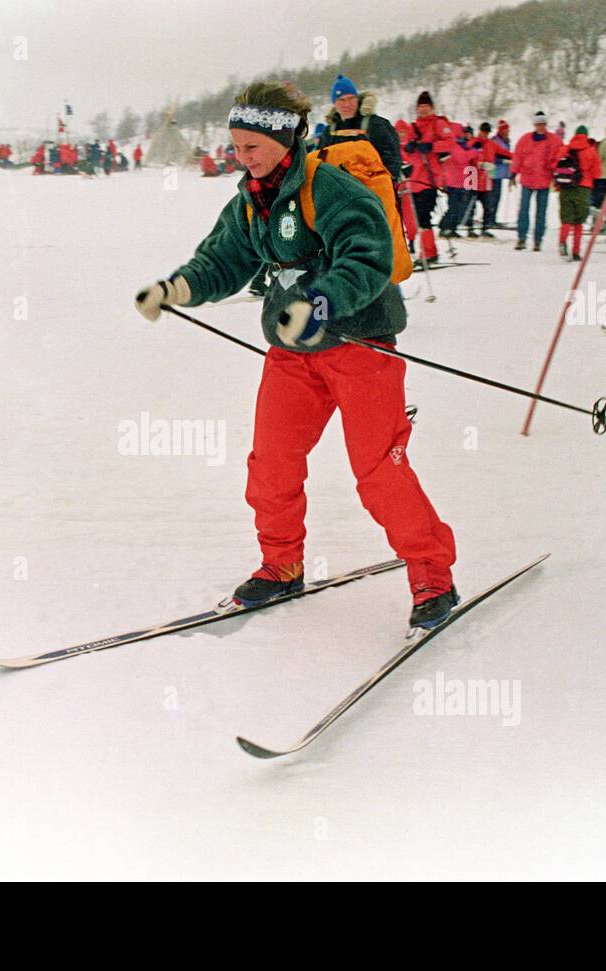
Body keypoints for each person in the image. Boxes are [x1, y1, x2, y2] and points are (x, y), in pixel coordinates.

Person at [133, 81, 458, 630]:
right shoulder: (249, 201)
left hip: (361, 347)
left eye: (251, 147)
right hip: (291, 354)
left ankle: (432, 575)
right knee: (271, 463)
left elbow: (366, 257)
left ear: (285, 140)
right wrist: (175, 290)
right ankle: (281, 564)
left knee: (380, 471)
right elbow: (222, 260)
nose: (242, 158)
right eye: (235, 147)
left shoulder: (333, 189)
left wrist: (320, 303)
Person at [400, 91, 457, 266]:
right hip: (415, 179)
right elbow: (407, 155)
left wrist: (432, 146)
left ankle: (428, 253)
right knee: (420, 218)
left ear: (431, 108)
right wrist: (407, 149)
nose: (423, 110)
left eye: (426, 106)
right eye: (420, 107)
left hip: (431, 178)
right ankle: (428, 252)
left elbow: (450, 143)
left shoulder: (438, 124)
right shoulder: (413, 127)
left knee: (423, 216)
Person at [319, 74, 402, 181]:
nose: (347, 104)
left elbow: (392, 159)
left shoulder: (375, 124)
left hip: (374, 190)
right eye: (341, 100)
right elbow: (321, 165)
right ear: (334, 104)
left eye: (351, 98)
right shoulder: (329, 133)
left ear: (357, 99)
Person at [510, 111, 563, 251]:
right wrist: (513, 173)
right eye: (538, 124)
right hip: (527, 178)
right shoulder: (525, 139)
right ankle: (522, 238)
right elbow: (517, 157)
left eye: (543, 124)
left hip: (544, 180)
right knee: (523, 210)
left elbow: (559, 158)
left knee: (541, 212)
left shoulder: (554, 140)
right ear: (534, 124)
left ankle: (538, 240)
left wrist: (556, 174)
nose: (541, 126)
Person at [554, 126, 602, 261]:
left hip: (565, 187)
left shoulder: (564, 149)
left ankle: (562, 242)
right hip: (583, 189)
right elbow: (597, 173)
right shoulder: (591, 151)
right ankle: (576, 252)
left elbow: (555, 166)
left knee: (566, 219)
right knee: (578, 222)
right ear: (586, 136)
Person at [467, 122, 511, 236]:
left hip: (486, 179)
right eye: (483, 132)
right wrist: (479, 164)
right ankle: (469, 228)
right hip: (472, 177)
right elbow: (466, 157)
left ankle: (485, 228)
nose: (484, 134)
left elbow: (504, 153)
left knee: (488, 204)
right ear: (479, 131)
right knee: (471, 204)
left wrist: (518, 157)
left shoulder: (492, 144)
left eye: (487, 133)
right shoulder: (473, 143)